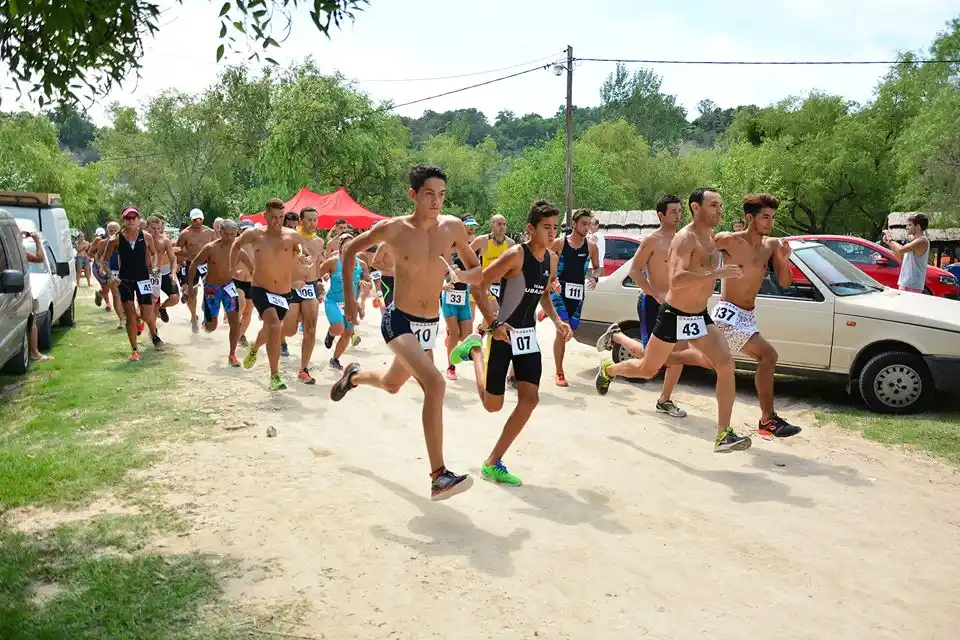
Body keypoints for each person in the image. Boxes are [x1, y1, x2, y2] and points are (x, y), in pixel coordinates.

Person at [330, 164, 484, 501]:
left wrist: (462, 275)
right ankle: (438, 475)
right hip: (398, 320)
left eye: (441, 195)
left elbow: (477, 271)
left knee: (391, 385)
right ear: (413, 194)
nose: (436, 201)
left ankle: (353, 376)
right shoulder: (394, 229)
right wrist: (350, 302)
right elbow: (350, 249)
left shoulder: (453, 228)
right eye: (429, 194)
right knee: (436, 383)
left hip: (429, 325)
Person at [593, 188, 752, 453]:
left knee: (725, 364)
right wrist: (716, 273)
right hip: (673, 314)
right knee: (648, 369)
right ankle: (610, 368)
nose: (719, 210)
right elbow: (677, 279)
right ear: (696, 208)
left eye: (721, 205)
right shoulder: (684, 239)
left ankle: (723, 433)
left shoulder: (711, 238)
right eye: (713, 205)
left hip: (699, 315)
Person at [449, 200, 572, 485]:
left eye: (555, 228)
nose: (552, 233)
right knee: (493, 406)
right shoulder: (516, 255)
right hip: (503, 334)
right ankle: (475, 349)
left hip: (527, 336)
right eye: (546, 228)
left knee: (530, 399)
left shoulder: (551, 259)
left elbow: (541, 294)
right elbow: (479, 283)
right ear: (531, 229)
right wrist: (492, 324)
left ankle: (493, 462)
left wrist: (556, 320)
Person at [710, 193, 802, 439]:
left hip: (748, 316)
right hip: (728, 314)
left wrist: (783, 260)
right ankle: (768, 420)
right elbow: (695, 252)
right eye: (764, 217)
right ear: (749, 218)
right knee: (768, 355)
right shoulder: (727, 240)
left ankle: (627, 350)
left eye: (772, 217)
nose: (769, 222)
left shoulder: (771, 246)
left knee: (689, 358)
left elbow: (784, 282)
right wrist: (714, 272)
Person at [597, 195, 688, 419]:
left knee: (680, 354)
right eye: (673, 211)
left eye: (680, 211)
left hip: (679, 306)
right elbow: (635, 271)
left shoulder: (684, 240)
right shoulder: (652, 240)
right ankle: (617, 342)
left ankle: (664, 400)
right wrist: (654, 293)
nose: (678, 215)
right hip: (653, 303)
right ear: (661, 215)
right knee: (651, 362)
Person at [233, 198, 314, 390]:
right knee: (275, 326)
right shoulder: (255, 234)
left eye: (281, 217)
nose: (277, 221)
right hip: (260, 288)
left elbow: (304, 252)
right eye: (274, 217)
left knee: (271, 329)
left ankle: (254, 348)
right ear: (266, 216)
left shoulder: (292, 236)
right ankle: (275, 375)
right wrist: (231, 268)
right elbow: (235, 245)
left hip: (283, 292)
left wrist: (304, 259)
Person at [547, 208, 601, 387]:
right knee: (563, 331)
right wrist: (552, 280)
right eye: (583, 224)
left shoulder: (592, 247)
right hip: (559, 292)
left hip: (577, 293)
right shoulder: (559, 243)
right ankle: (559, 372)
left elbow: (597, 267)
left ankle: (547, 313)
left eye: (589, 224)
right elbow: (543, 262)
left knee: (573, 327)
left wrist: (594, 277)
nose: (586, 228)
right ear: (573, 224)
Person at [99, 207, 161, 360]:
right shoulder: (116, 239)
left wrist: (153, 266)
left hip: (143, 278)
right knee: (130, 315)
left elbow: (154, 254)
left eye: (134, 218)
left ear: (139, 219)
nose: (131, 220)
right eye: (128, 218)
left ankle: (140, 320)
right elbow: (104, 261)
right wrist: (111, 276)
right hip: (125, 280)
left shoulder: (146, 237)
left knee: (147, 313)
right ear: (124, 220)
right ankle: (134, 350)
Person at [190, 220, 243, 366]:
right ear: (220, 232)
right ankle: (206, 320)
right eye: (226, 234)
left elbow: (252, 267)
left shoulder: (237, 248)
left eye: (233, 234)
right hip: (212, 288)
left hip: (229, 287)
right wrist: (190, 287)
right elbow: (194, 264)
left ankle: (232, 354)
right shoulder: (211, 248)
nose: (230, 237)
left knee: (235, 322)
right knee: (211, 327)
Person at [282, 207, 325, 383]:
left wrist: (320, 280)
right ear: (301, 221)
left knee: (311, 329)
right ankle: (279, 336)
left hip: (311, 288)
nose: (313, 223)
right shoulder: (290, 238)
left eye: (315, 220)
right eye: (309, 220)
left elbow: (316, 264)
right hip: (292, 287)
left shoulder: (319, 241)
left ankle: (303, 369)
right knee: (290, 330)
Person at [441, 215, 480, 380]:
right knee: (455, 334)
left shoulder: (472, 246)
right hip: (449, 294)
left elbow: (477, 270)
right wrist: (442, 284)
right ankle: (450, 366)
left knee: (465, 336)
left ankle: (450, 339)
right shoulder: (447, 246)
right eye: (468, 226)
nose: (471, 229)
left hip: (464, 294)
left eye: (473, 226)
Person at [470, 214, 515, 329]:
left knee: (494, 320)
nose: (502, 227)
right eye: (499, 224)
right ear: (492, 226)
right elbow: (464, 254)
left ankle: (479, 335)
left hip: (502, 286)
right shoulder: (482, 241)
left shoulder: (510, 244)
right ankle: (478, 336)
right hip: (485, 285)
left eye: (504, 224)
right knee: (493, 315)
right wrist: (472, 272)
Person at [176, 208, 216, 333]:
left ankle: (206, 315)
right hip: (191, 264)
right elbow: (177, 249)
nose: (197, 222)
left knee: (210, 290)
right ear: (191, 220)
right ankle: (193, 317)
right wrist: (181, 261)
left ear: (203, 219)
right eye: (195, 220)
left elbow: (216, 248)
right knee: (191, 294)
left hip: (206, 264)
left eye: (199, 219)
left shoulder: (210, 232)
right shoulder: (185, 233)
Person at [22, 230, 54, 362]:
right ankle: (34, 352)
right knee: (32, 320)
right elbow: (39, 258)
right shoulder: (18, 251)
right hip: (22, 289)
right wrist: (37, 241)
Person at [882, 213, 930, 293]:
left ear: (918, 227)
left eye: (910, 225)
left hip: (912, 285)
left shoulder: (922, 241)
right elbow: (901, 257)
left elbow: (901, 250)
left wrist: (890, 240)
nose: (906, 227)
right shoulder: (913, 242)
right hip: (906, 283)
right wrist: (889, 243)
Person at [146, 215, 180, 323]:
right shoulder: (141, 240)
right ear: (147, 227)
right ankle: (154, 332)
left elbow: (173, 259)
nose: (156, 231)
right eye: (153, 228)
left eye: (158, 228)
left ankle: (162, 308)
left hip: (161, 272)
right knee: (152, 305)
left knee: (175, 299)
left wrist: (173, 273)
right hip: (148, 274)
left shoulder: (164, 240)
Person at [233, 220, 257, 346]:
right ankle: (235, 329)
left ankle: (240, 334)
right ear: (240, 230)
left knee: (248, 312)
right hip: (237, 281)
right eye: (244, 230)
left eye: (249, 229)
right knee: (241, 304)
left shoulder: (258, 244)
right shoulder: (236, 244)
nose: (246, 232)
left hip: (252, 283)